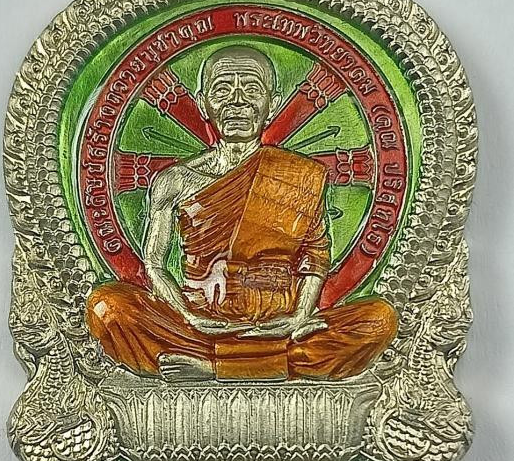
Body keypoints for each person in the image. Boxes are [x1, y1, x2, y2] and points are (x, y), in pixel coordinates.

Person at [86, 45, 397, 382]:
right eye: (223, 89)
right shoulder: (175, 181)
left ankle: (217, 367)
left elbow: (315, 256)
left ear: (272, 104)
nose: (237, 101)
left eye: (251, 89)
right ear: (203, 103)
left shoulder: (300, 174)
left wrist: (299, 316)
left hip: (279, 327)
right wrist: (188, 317)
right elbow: (155, 265)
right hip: (201, 328)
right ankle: (266, 365)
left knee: (378, 320)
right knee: (108, 307)